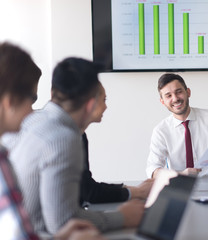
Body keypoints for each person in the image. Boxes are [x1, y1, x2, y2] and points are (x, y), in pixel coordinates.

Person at [8, 57, 144, 234]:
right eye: (103, 99)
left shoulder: (31, 121)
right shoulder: (64, 138)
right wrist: (122, 216)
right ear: (90, 105)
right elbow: (63, 223)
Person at [0, 42, 105, 240]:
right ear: (9, 101)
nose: (32, 112)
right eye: (31, 99)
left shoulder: (5, 151)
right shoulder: (61, 139)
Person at [146, 73, 208, 178]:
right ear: (162, 101)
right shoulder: (161, 130)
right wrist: (180, 175)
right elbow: (153, 170)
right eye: (168, 95)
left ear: (188, 92)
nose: (175, 99)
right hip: (181, 188)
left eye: (178, 92)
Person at [80, 83, 153, 205]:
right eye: (104, 100)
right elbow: (89, 192)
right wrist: (137, 192)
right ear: (90, 102)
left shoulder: (80, 134)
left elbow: (86, 186)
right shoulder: (72, 136)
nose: (106, 107)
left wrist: (131, 189)